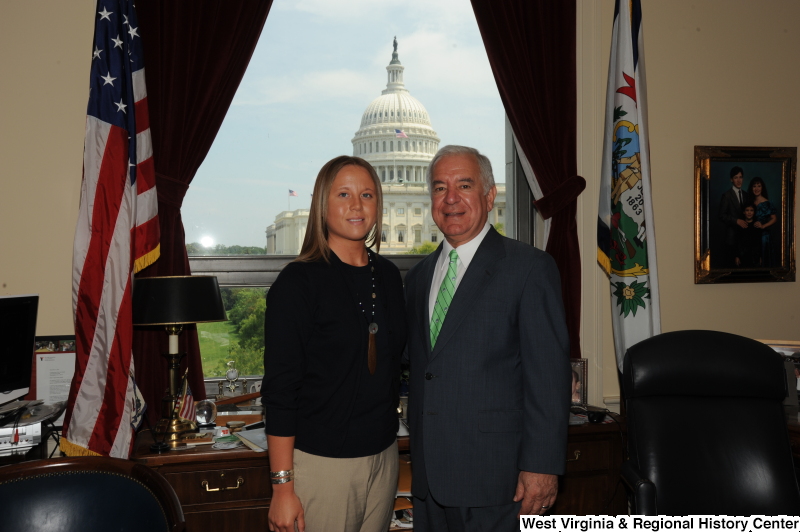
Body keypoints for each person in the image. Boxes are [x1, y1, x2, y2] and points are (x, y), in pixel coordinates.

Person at [404, 145, 571, 531]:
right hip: (430, 483)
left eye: (464, 185)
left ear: (490, 195)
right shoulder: (417, 278)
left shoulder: (529, 268)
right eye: (439, 187)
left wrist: (542, 467)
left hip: (501, 482)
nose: (451, 199)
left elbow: (549, 378)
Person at [261, 156, 407, 532]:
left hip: (384, 456)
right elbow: (280, 391)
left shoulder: (389, 276)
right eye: (343, 194)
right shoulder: (298, 283)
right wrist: (282, 487)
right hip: (321, 463)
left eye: (367, 194)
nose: (356, 205)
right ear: (322, 203)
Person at [718, 166, 753, 267]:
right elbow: (721, 215)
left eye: (740, 177)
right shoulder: (727, 195)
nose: (738, 180)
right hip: (732, 237)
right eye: (736, 177)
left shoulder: (746, 195)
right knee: (732, 267)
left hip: (745, 238)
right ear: (731, 180)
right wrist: (736, 220)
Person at [748, 176, 777, 267]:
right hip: (752, 235)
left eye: (759, 186)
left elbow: (774, 218)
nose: (756, 188)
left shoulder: (767, 202)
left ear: (762, 187)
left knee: (764, 262)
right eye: (754, 186)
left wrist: (763, 226)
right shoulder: (749, 201)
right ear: (751, 188)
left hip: (764, 237)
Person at [734, 203, 762, 267]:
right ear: (744, 212)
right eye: (747, 210)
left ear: (754, 212)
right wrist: (737, 256)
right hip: (743, 255)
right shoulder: (740, 225)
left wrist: (760, 256)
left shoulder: (757, 225)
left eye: (751, 210)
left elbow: (759, 242)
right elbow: (737, 241)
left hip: (755, 256)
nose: (749, 212)